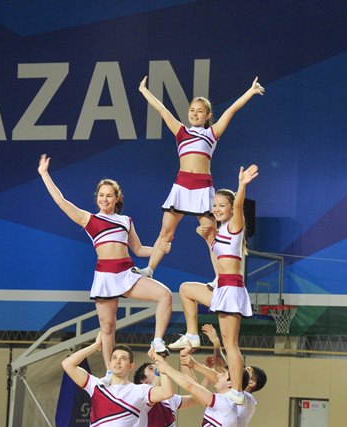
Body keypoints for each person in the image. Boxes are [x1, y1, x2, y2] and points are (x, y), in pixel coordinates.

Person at [38, 154, 172, 364]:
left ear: (117, 198)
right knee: (108, 328)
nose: (104, 199)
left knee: (165, 295)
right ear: (97, 197)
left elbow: (138, 249)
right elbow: (61, 202)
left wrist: (159, 248)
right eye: (101, 195)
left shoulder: (125, 220)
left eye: (109, 195)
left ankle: (157, 342)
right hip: (105, 277)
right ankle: (111, 371)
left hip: (127, 274)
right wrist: (44, 174)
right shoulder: (89, 219)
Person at [134, 76, 264, 279]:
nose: (195, 114)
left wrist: (251, 91)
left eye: (200, 111)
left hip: (202, 189)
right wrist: (144, 90)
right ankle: (149, 270)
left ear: (208, 115)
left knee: (211, 235)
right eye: (192, 110)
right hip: (181, 187)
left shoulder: (212, 133)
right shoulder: (181, 132)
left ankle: (220, 278)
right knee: (166, 232)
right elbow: (162, 110)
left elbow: (231, 110)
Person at [167, 165, 259, 405]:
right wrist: (209, 240)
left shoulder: (235, 227)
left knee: (230, 344)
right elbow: (218, 266)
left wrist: (241, 185)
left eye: (222, 205)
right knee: (186, 289)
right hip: (221, 286)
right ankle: (192, 335)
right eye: (215, 205)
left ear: (231, 208)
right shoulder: (220, 232)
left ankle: (237, 391)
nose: (217, 209)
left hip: (232, 289)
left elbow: (239, 205)